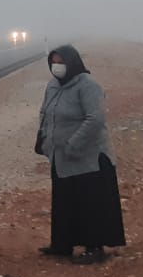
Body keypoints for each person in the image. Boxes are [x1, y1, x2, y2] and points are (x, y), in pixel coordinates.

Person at [37, 45, 125, 264]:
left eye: (61, 62)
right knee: (64, 201)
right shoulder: (53, 86)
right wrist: (46, 141)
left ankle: (94, 247)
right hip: (61, 158)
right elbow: (45, 112)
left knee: (90, 203)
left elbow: (95, 119)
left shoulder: (88, 86)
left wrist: (73, 144)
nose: (57, 67)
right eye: (53, 63)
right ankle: (62, 244)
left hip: (89, 158)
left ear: (72, 62)